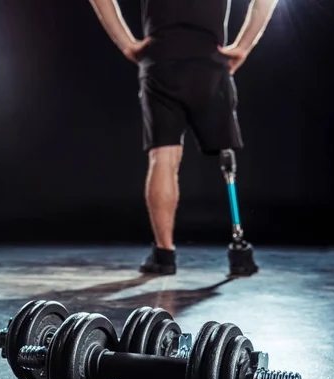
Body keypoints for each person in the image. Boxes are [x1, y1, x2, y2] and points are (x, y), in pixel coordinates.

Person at [89, 0, 279, 275]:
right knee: (225, 154)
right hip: (210, 63)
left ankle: (164, 255)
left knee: (163, 157)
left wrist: (127, 43)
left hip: (161, 61)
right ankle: (239, 251)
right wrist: (243, 46)